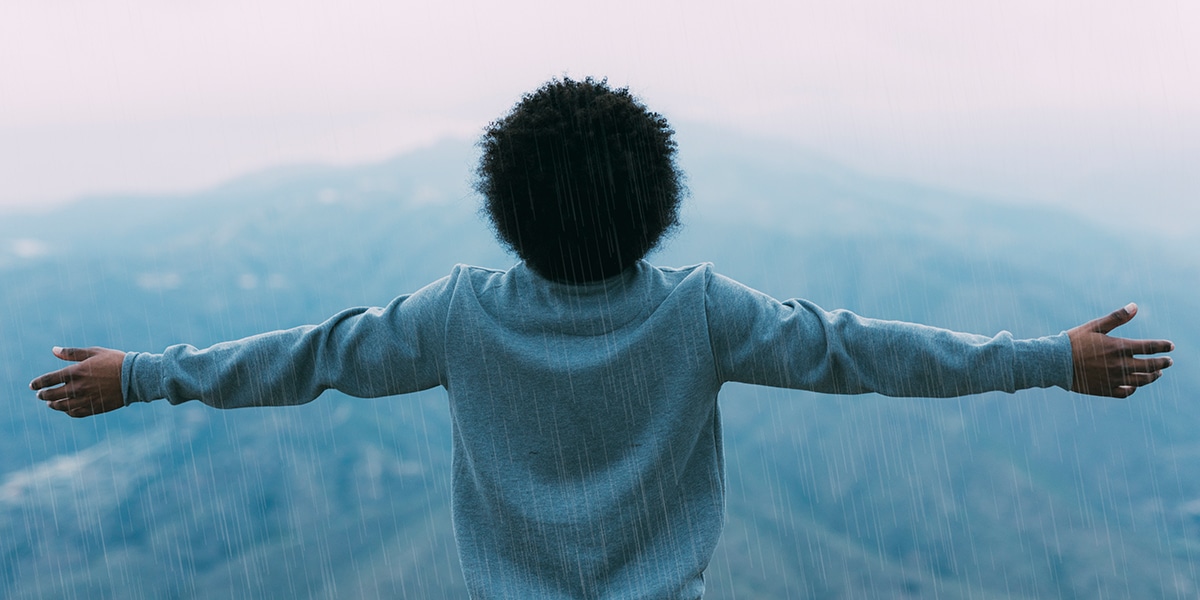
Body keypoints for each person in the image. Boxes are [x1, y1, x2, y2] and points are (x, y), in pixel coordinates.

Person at [29, 77, 1174, 599]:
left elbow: (307, 357)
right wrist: (1050, 360)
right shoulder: (702, 312)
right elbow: (871, 351)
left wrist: (141, 376)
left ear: (507, 207)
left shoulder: (456, 316)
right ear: (656, 203)